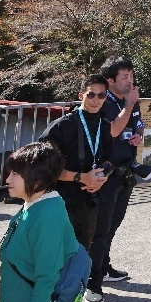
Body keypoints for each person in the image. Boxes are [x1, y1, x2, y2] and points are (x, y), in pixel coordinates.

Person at [0, 142, 87, 302]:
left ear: (37, 179)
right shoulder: (34, 204)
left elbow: (47, 273)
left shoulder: (48, 213)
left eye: (15, 173)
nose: (7, 179)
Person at [88, 55, 151, 302]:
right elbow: (113, 130)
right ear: (110, 80)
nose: (130, 81)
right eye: (124, 77)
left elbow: (138, 125)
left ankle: (104, 267)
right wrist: (129, 103)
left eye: (131, 76)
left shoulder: (131, 101)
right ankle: (92, 283)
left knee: (113, 224)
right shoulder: (103, 102)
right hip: (106, 174)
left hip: (127, 171)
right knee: (99, 229)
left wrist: (138, 136)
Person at [40, 74, 114, 252]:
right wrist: (81, 177)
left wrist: (101, 177)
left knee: (81, 254)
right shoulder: (61, 126)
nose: (95, 100)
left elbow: (110, 160)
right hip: (60, 201)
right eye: (91, 95)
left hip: (89, 202)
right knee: (56, 254)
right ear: (81, 96)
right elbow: (44, 167)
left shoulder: (104, 125)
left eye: (101, 95)